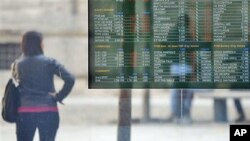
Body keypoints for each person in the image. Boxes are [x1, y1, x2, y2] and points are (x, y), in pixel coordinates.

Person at [12, 31, 75, 141]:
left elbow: (16, 83)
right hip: (48, 110)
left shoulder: (17, 64)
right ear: (40, 44)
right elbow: (70, 78)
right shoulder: (50, 62)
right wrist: (58, 97)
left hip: (25, 112)